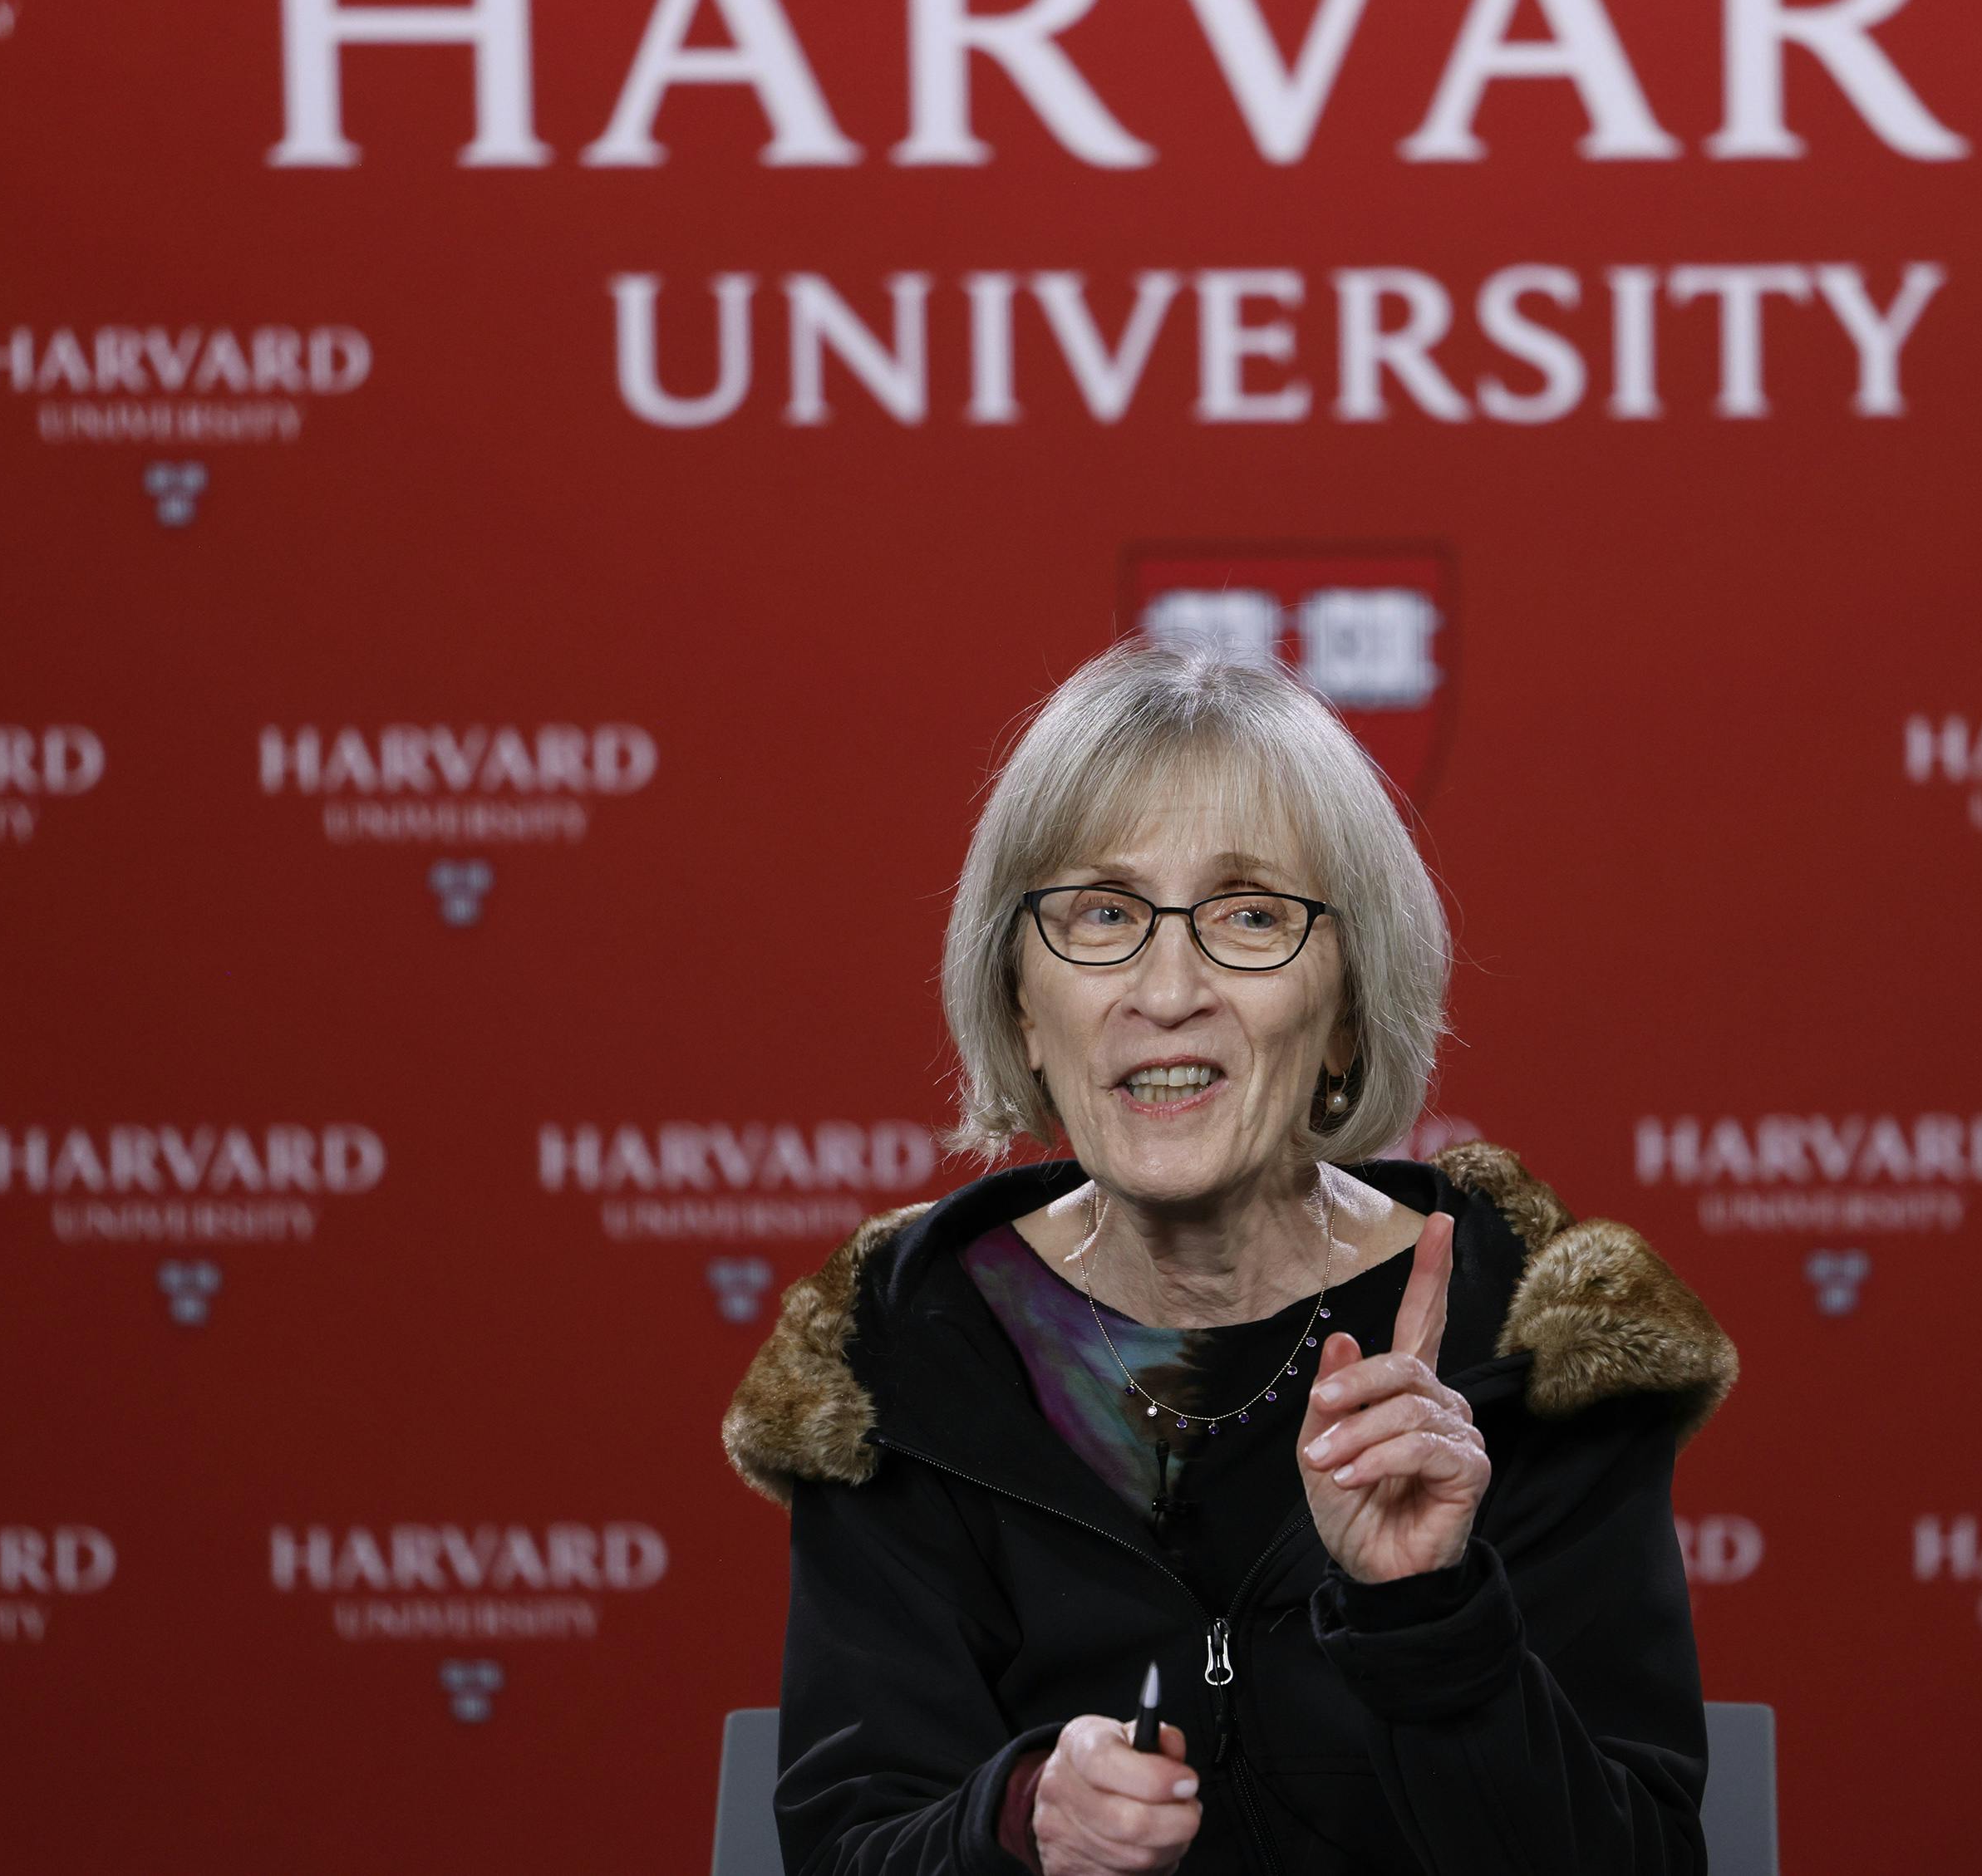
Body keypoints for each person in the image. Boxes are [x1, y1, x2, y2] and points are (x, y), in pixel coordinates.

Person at [724, 636, 1737, 1875]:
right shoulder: (907, 1352)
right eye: (1101, 913)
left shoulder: (1527, 1339)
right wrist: (1018, 1822)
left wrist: (1429, 1612)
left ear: (1350, 1013)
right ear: (1022, 1008)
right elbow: (850, 1847)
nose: (1168, 988)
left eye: (1249, 916)